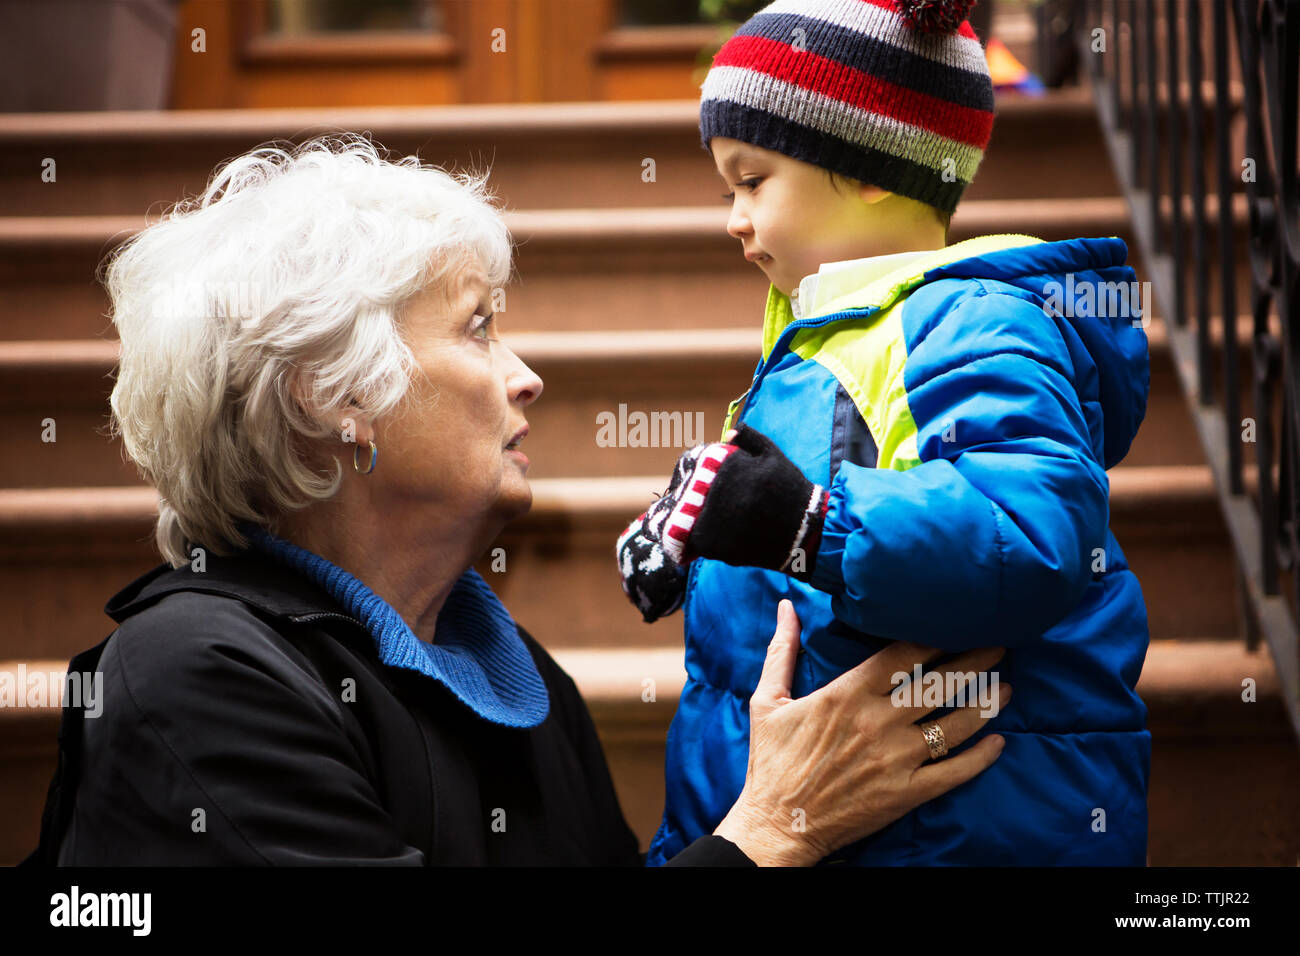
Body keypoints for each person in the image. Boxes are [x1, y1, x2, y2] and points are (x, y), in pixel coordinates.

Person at [23, 134, 1009, 867]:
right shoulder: (195, 676)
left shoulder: (503, 667)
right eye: (479, 328)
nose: (528, 375)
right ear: (337, 397)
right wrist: (769, 829)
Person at [617, 0, 1152, 865]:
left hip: (943, 834)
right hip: (791, 810)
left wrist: (802, 522)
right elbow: (796, 507)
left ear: (870, 165)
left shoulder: (971, 323)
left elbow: (1025, 533)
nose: (733, 219)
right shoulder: (823, 338)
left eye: (753, 181)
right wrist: (693, 539)